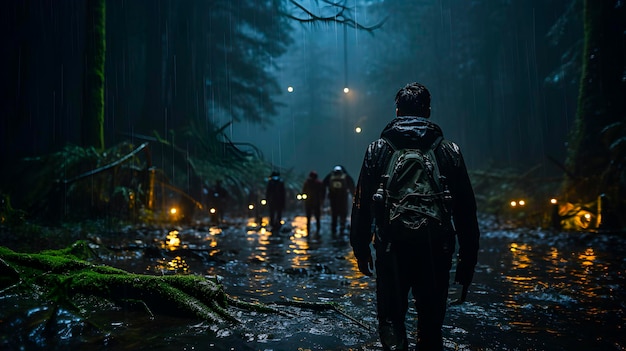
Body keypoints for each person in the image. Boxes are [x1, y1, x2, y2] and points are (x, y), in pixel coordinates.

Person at [350, 82, 480, 350]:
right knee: (431, 326)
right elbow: (466, 211)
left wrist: (360, 249)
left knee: (391, 322)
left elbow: (362, 205)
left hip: (391, 247)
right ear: (428, 112)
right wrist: (467, 262)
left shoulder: (378, 149)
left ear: (397, 112)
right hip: (436, 248)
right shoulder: (448, 151)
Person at [323, 165, 355, 235]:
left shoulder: (330, 176)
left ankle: (333, 230)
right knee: (343, 214)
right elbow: (351, 186)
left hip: (333, 199)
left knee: (334, 215)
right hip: (343, 199)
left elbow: (323, 185)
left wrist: (322, 198)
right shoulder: (346, 177)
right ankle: (342, 229)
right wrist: (354, 196)